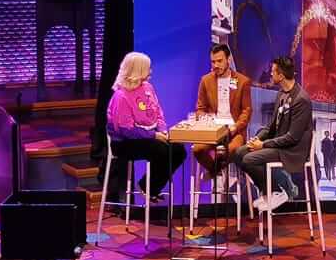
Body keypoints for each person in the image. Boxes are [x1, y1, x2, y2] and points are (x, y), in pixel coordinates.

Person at [233, 57, 312, 212]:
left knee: (249, 159)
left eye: (273, 71)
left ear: (281, 75)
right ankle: (268, 192)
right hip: (279, 145)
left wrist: (263, 145)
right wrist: (257, 139)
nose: (270, 74)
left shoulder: (301, 99)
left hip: (292, 150)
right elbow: (271, 127)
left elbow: (292, 138)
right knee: (239, 153)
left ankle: (277, 191)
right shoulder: (281, 94)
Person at [105, 52, 185, 203]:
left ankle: (150, 187)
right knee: (161, 150)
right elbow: (126, 130)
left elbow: (158, 112)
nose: (151, 71)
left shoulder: (147, 87)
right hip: (124, 143)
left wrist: (162, 131)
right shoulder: (121, 96)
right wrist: (154, 136)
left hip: (149, 137)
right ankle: (148, 187)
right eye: (148, 68)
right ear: (138, 70)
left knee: (178, 150)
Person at [193, 44, 251, 188]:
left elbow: (246, 111)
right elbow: (200, 108)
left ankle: (214, 171)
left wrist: (235, 127)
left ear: (228, 59)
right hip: (213, 130)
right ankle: (217, 171)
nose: (216, 65)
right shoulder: (205, 80)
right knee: (197, 149)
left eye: (219, 61)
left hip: (234, 131)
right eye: (213, 62)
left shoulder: (243, 81)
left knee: (229, 150)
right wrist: (208, 122)